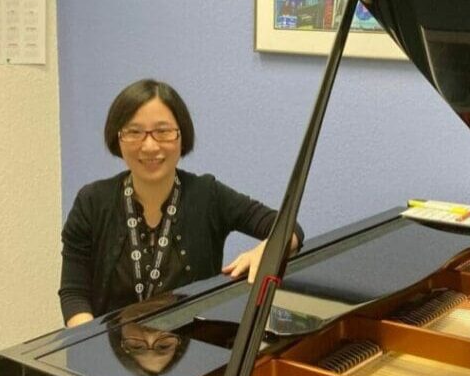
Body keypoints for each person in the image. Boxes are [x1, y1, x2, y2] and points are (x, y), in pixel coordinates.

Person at [59, 79, 303, 328]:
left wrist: (267, 250)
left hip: (196, 351)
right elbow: (73, 294)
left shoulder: (207, 195)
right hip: (110, 352)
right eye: (134, 132)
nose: (150, 146)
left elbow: (289, 228)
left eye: (163, 131)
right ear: (117, 138)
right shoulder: (91, 202)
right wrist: (90, 348)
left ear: (181, 136)